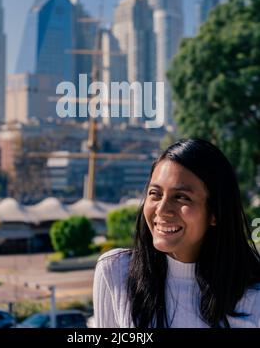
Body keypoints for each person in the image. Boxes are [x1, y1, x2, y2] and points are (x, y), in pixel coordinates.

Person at [93, 138, 260, 328]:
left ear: (215, 213)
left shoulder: (254, 297)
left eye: (181, 197)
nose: (162, 209)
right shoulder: (115, 270)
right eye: (155, 193)